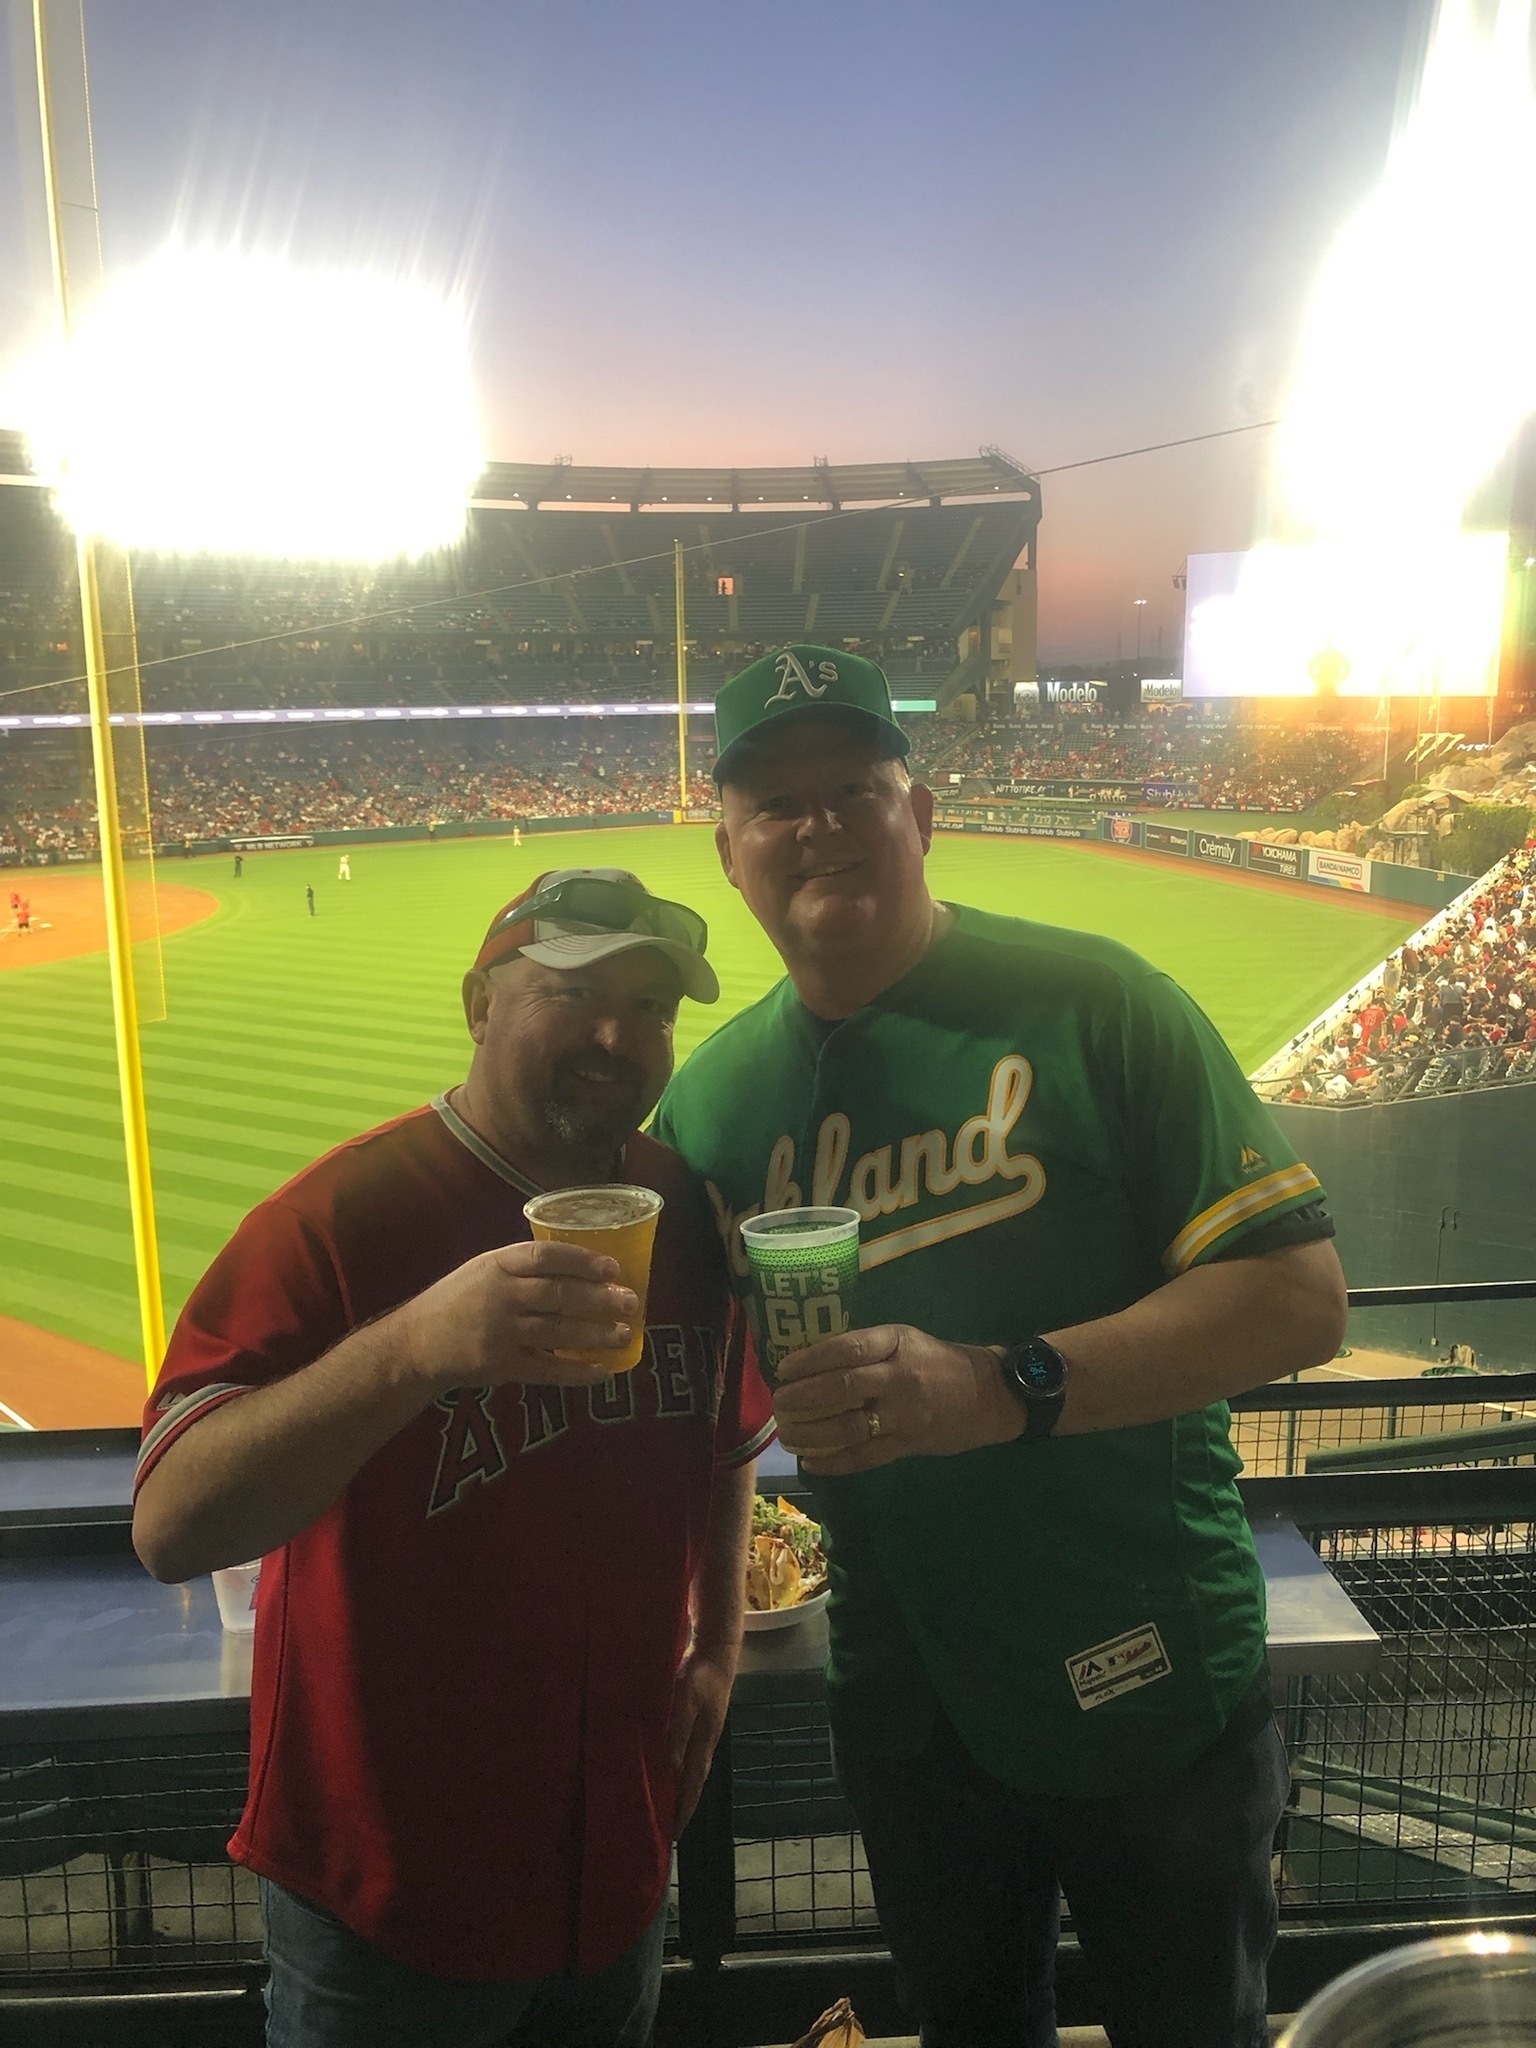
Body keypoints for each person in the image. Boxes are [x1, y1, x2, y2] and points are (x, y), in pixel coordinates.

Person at [654, 645, 1349, 2048]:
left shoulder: (1099, 1003)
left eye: (854, 786)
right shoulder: (711, 1107)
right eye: (775, 801)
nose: (818, 822)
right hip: (907, 1708)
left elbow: (1298, 1295)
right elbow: (686, 1399)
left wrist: (995, 1385)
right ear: (727, 851)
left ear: (921, 813)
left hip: (1152, 1677)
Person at [132, 866, 770, 2048]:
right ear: (480, 1004)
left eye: (650, 1004)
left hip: (618, 1861)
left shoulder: (681, 1208)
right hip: (388, 1899)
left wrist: (720, 1646)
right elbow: (172, 1523)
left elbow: (728, 1439)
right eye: (573, 992)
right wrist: (412, 1347)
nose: (618, 1034)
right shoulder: (338, 1219)